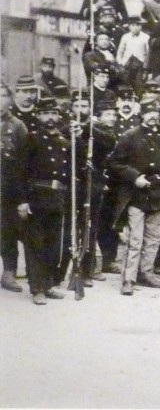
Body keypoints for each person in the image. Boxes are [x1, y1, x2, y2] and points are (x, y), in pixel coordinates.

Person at [109, 99, 160, 295]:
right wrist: (134, 177)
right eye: (149, 112)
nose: (153, 116)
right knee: (134, 240)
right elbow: (114, 163)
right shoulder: (130, 136)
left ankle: (146, 273)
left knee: (154, 238)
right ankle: (128, 279)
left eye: (156, 112)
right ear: (142, 115)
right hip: (135, 195)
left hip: (157, 194)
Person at [16, 97, 77, 304]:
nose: (50, 118)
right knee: (35, 244)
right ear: (39, 115)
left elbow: (71, 172)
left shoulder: (65, 142)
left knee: (53, 244)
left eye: (53, 113)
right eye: (46, 113)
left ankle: (49, 283)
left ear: (59, 116)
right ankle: (37, 288)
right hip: (36, 198)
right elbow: (21, 172)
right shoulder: (31, 139)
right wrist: (23, 201)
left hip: (57, 198)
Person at [76, 98, 119, 286]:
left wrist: (87, 129)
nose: (112, 118)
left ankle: (87, 271)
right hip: (73, 183)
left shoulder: (103, 131)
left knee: (90, 227)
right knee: (69, 227)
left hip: (94, 184)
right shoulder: (68, 126)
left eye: (113, 115)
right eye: (108, 114)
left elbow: (109, 141)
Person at [0, 84, 28, 292]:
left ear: (10, 99)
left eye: (2, 96)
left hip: (7, 189)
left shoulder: (17, 126)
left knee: (8, 231)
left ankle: (8, 272)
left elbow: (23, 162)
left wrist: (21, 195)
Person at [117, 17, 150, 95]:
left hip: (140, 65)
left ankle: (138, 99)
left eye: (137, 25)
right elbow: (120, 52)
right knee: (125, 84)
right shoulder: (125, 37)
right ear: (129, 26)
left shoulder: (146, 37)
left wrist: (145, 68)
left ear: (141, 26)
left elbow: (148, 53)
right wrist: (120, 62)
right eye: (133, 25)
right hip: (127, 65)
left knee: (138, 84)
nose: (135, 27)